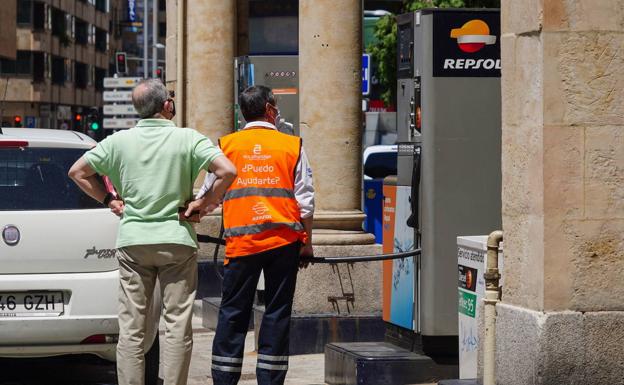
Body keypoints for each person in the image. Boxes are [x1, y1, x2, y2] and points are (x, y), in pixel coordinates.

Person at [68, 78, 237, 385]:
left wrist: (109, 200)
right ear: (167, 106)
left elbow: (78, 172)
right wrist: (204, 203)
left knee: (132, 329)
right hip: (176, 239)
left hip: (134, 242)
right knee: (176, 326)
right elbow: (228, 171)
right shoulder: (188, 139)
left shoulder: (118, 142)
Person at [199, 85, 314, 385]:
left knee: (233, 312)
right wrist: (307, 244)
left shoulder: (227, 145)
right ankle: (271, 380)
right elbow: (305, 201)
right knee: (277, 312)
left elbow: (209, 194)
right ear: (269, 109)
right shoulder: (292, 145)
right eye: (275, 106)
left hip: (242, 243)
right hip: (284, 243)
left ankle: (223, 379)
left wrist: (193, 211)